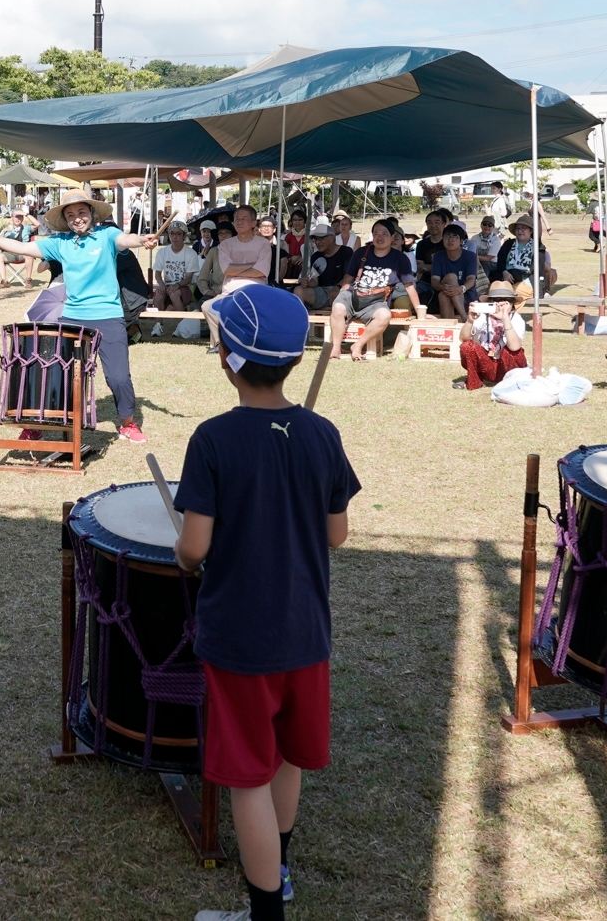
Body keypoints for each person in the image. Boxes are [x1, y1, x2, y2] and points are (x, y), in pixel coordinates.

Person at [177, 284, 357, 921]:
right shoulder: (321, 432)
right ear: (294, 359)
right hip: (305, 631)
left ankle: (264, 915)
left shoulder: (214, 439)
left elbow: (195, 547)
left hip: (239, 637)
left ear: (227, 354)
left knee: (247, 777)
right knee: (285, 758)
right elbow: (337, 534)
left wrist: (182, 554)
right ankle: (278, 874)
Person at [0, 188, 159, 442]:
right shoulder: (60, 243)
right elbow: (21, 247)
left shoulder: (107, 235)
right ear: (66, 219)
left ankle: (127, 424)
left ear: (92, 213)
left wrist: (142, 240)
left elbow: (126, 240)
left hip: (108, 315)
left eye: (82, 212)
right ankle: (36, 422)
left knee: (118, 376)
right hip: (72, 317)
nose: (77, 218)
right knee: (53, 371)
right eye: (71, 214)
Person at [335, 220, 420, 362]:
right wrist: (341, 294)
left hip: (377, 300)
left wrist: (420, 311)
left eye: (384, 234)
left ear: (393, 237)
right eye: (376, 234)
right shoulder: (361, 252)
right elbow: (349, 278)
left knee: (384, 315)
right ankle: (335, 348)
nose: (379, 238)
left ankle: (357, 345)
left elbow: (409, 286)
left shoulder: (400, 258)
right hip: (354, 295)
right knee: (338, 306)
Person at [455, 288, 526, 390]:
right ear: (490, 302)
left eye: (507, 300)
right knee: (467, 346)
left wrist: (505, 319)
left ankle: (512, 383)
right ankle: (475, 381)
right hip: (487, 364)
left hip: (509, 367)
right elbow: (463, 339)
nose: (501, 304)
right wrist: (470, 320)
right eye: (496, 299)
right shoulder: (482, 316)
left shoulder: (516, 319)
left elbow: (515, 347)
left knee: (511, 352)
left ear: (513, 303)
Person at [294, 221, 353, 317]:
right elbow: (315, 281)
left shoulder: (346, 252)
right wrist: (307, 282)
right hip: (323, 291)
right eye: (315, 239)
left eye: (321, 239)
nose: (317, 242)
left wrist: (337, 287)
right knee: (298, 290)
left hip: (343, 291)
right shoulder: (316, 256)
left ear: (332, 237)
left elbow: (349, 276)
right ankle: (300, 322)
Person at [151, 221, 202, 326]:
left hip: (185, 286)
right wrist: (161, 284)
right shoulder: (162, 252)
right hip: (167, 284)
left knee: (174, 293)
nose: (175, 236)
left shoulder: (191, 253)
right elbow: (157, 273)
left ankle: (181, 326)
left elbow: (188, 278)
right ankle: (158, 325)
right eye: (172, 233)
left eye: (178, 233)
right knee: (158, 294)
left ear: (184, 235)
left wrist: (177, 285)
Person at [428, 224, 479, 321]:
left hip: (466, 294)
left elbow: (471, 279)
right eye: (447, 236)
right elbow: (434, 280)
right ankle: (464, 317)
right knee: (450, 280)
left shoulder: (470, 256)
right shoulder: (438, 257)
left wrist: (460, 289)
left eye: (454, 237)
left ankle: (454, 323)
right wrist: (442, 287)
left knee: (444, 294)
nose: (450, 240)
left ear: (461, 241)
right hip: (444, 291)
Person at [217, 205, 274, 292]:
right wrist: (252, 265)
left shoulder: (264, 243)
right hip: (230, 290)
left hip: (256, 289)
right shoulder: (225, 244)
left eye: (243, 219)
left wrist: (234, 272)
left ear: (253, 223)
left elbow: (261, 272)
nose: (239, 222)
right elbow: (227, 270)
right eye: (237, 219)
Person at [493, 218, 552, 298]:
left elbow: (537, 268)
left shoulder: (537, 247)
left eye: (523, 228)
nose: (520, 231)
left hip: (526, 279)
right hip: (505, 277)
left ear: (531, 231)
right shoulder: (508, 244)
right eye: (518, 228)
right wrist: (504, 272)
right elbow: (500, 260)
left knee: (510, 292)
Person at [280, 213, 309, 282]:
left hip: (305, 264)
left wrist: (303, 257)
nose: (297, 222)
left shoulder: (310, 236)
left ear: (305, 221)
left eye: (300, 220)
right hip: (290, 264)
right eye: (295, 220)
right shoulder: (287, 236)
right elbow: (285, 252)